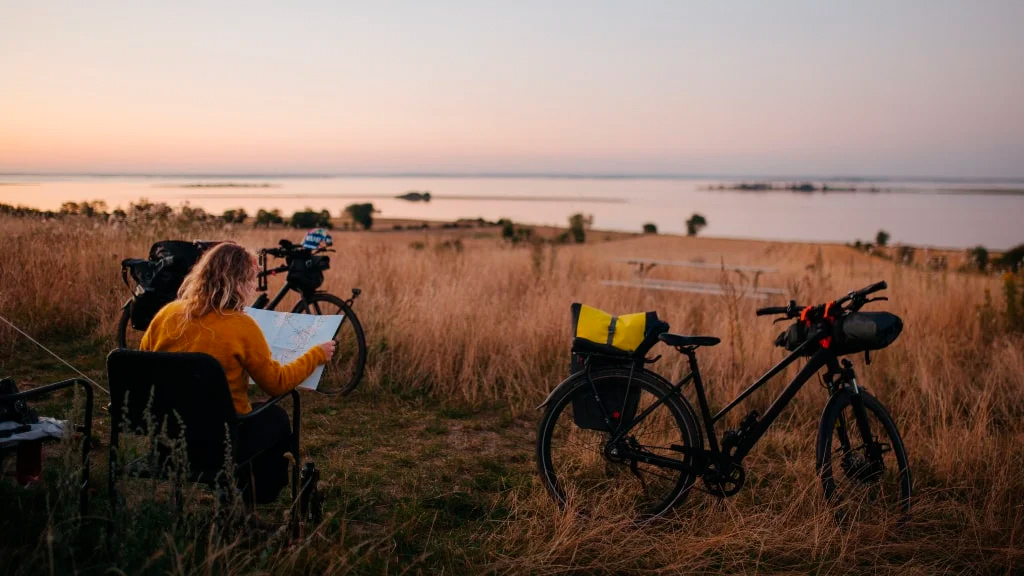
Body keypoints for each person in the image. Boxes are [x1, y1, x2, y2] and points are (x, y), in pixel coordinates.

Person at [140, 242, 335, 504]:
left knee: (256, 413)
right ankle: (251, 499)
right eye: (252, 280)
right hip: (220, 445)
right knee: (274, 417)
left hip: (167, 440)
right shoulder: (241, 326)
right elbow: (277, 384)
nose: (254, 286)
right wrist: (316, 354)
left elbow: (144, 366)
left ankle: (233, 500)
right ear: (240, 282)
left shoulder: (165, 315)